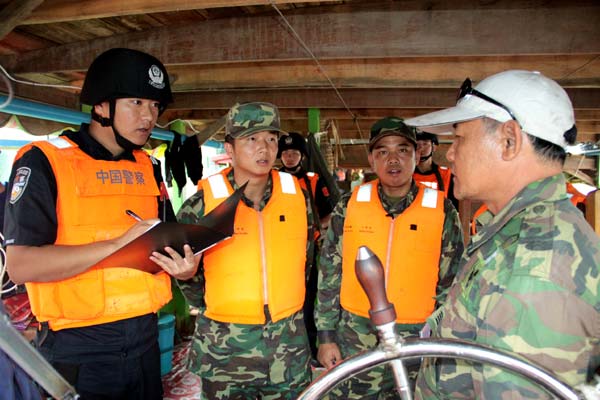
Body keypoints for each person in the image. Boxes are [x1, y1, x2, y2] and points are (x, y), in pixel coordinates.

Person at [3, 48, 200, 400]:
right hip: (79, 350)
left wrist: (183, 269)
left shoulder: (147, 167)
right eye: (137, 102)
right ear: (101, 106)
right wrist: (117, 245)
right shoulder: (44, 162)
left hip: (144, 340)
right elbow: (20, 266)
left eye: (155, 106)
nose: (149, 116)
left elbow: (164, 244)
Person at [405, 70, 600, 399]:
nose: (450, 154)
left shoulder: (534, 264)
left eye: (460, 138)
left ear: (509, 141)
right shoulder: (517, 232)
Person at [315, 116, 465, 399]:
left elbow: (451, 282)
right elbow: (329, 270)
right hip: (354, 336)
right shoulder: (349, 205)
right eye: (383, 152)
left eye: (403, 150)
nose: (393, 160)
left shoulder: (441, 210)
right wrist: (326, 337)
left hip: (417, 340)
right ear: (371, 160)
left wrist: (441, 339)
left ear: (417, 154)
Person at [176, 102, 315, 399]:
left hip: (287, 349)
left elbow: (306, 259)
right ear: (230, 147)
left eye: (271, 138)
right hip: (225, 352)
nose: (263, 148)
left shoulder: (298, 198)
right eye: (251, 139)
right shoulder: (201, 205)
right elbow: (187, 276)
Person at [278, 131, 334, 360]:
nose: (290, 157)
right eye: (286, 153)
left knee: (309, 303)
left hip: (310, 254)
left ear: (302, 156)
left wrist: (313, 231)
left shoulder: (313, 180)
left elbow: (329, 213)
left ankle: (310, 351)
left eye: (294, 153)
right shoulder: (272, 180)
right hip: (280, 252)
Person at [413, 131, 459, 210]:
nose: (421, 148)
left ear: (434, 147)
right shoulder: (405, 175)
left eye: (425, 144)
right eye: (417, 145)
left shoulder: (447, 174)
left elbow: (454, 208)